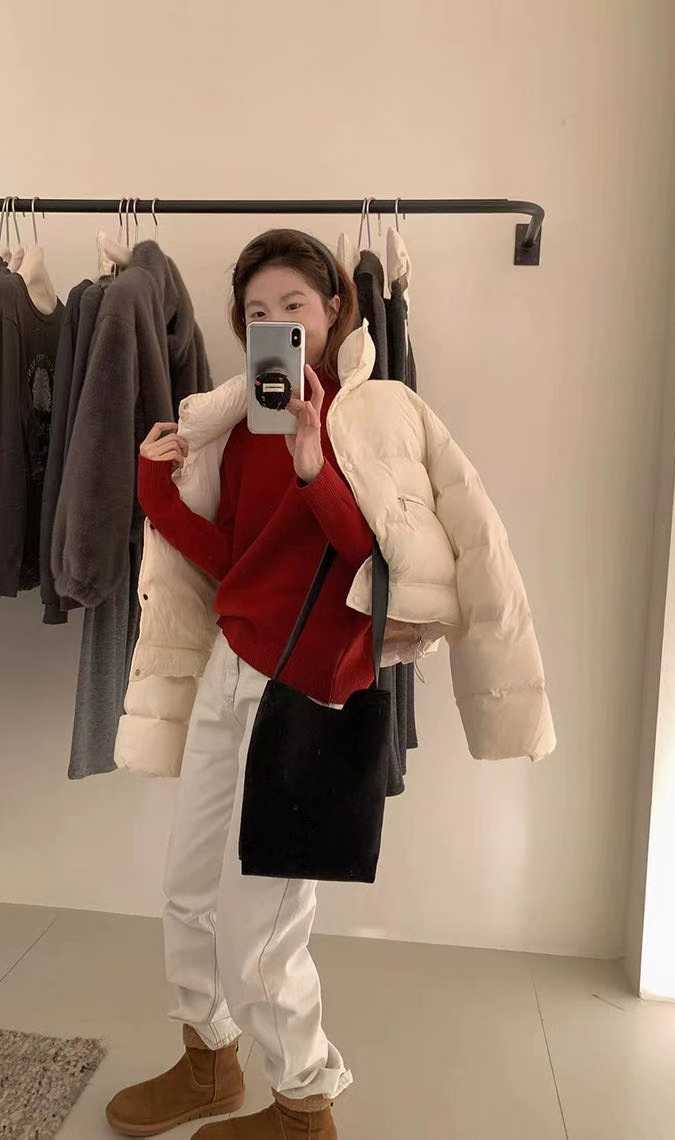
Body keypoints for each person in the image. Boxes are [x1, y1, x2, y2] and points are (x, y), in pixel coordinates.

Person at [105, 229, 372, 1140]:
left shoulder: (372, 416)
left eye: (293, 306)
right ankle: (208, 1062)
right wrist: (156, 492)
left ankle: (303, 1107)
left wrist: (314, 462)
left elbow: (376, 562)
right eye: (257, 313)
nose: (276, 324)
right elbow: (237, 562)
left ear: (332, 309)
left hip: (306, 689)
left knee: (263, 925)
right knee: (188, 888)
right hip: (233, 667)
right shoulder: (245, 427)